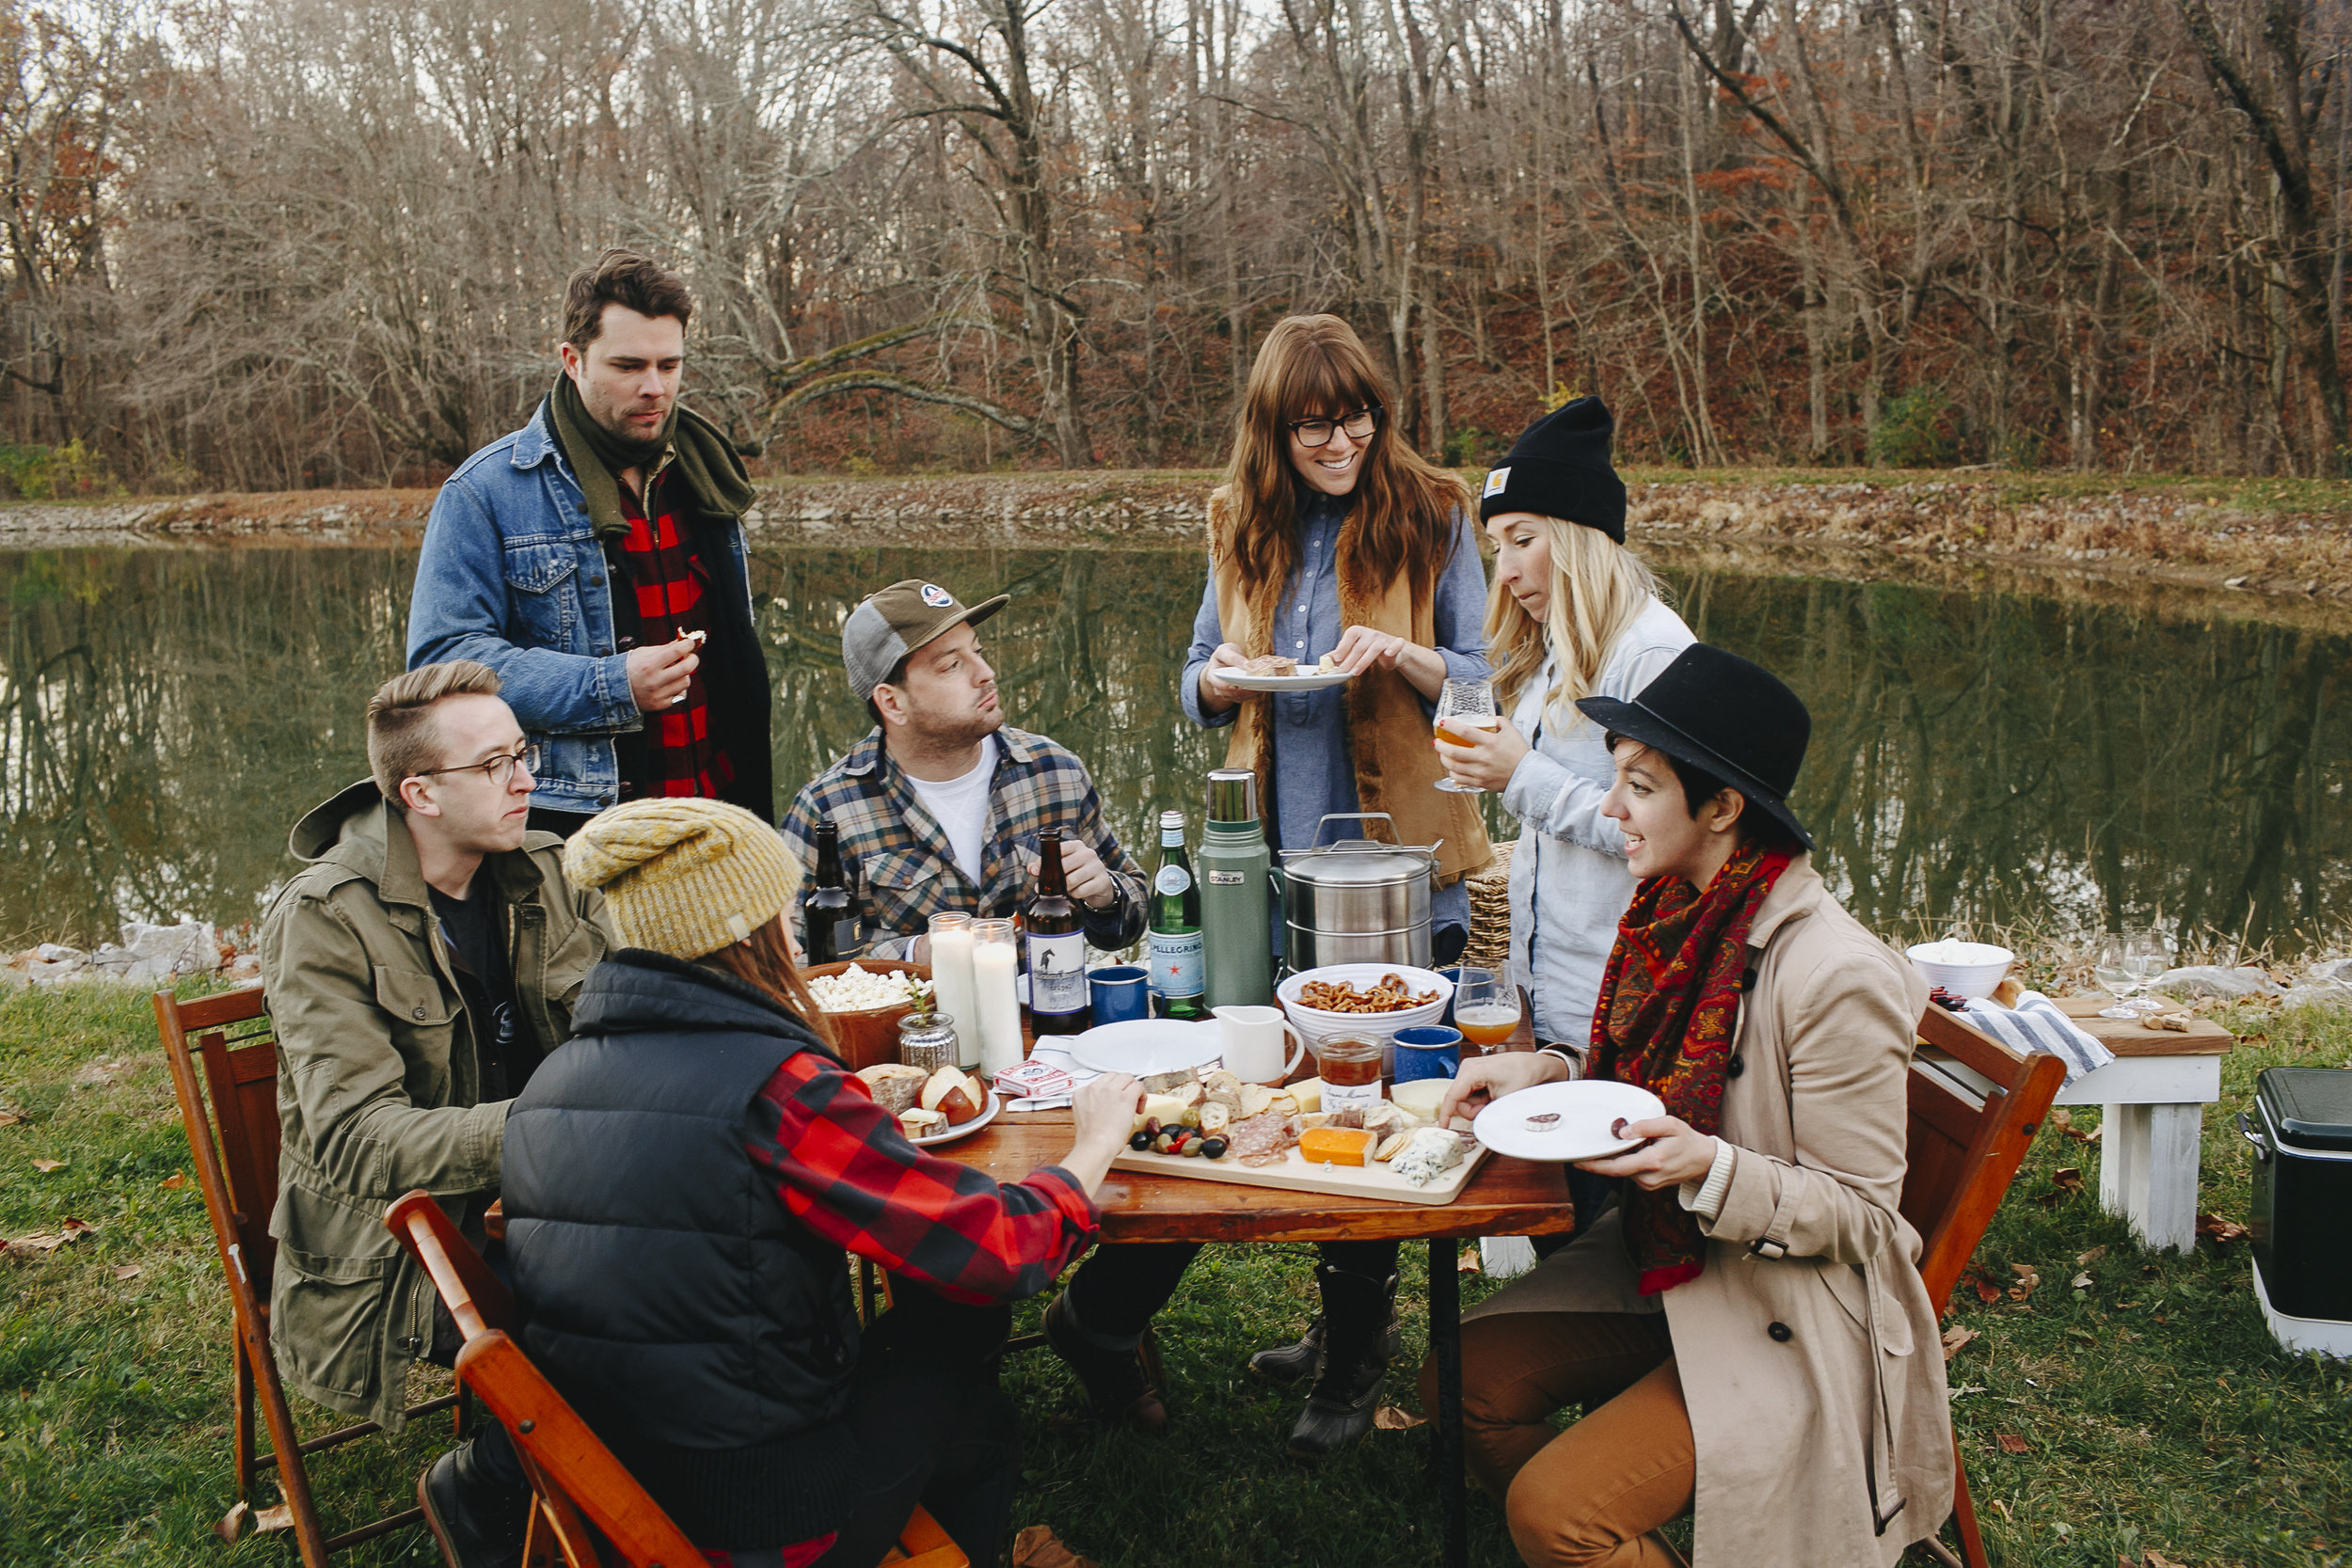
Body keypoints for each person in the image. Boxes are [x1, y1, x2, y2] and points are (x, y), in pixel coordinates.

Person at [1042, 314, 1492, 1459]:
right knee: (1265, 1086)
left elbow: (1486, 677)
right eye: (1312, 423)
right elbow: (1196, 672)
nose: (1340, 440)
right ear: (1274, 428)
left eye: (1356, 417)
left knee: (1379, 1098)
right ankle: (1314, 1313)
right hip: (1266, 865)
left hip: (1394, 866)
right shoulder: (1238, 519)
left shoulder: (1434, 510)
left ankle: (1352, 1349)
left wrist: (1397, 653)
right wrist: (1223, 677)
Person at [500, 799, 1142, 1568]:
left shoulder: (547, 1086)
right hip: (764, 1519)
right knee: (966, 1366)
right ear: (745, 931)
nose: (796, 937)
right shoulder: (777, 1087)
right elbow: (1003, 1250)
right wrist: (1094, 1143)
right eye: (785, 915)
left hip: (620, 1495)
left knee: (940, 1330)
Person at [1422, 645, 1954, 1568]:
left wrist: (1711, 1169)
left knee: (1556, 1515)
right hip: (1672, 1254)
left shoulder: (1836, 973)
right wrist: (1547, 1069)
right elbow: (1651, 1076)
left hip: (1785, 1301)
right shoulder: (1677, 908)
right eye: (1615, 778)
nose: (1608, 806)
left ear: (1721, 807)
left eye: (1638, 785)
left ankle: (1593, 1530)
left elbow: (1865, 1218)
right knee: (1457, 1380)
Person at [256, 660, 616, 1568]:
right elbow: (356, 1136)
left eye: (522, 753)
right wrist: (557, 1131)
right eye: (495, 764)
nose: (527, 779)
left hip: (559, 1192)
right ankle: (491, 1482)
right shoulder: (325, 918)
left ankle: (663, 1500)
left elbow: (626, 1019)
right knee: (630, 1319)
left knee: (720, 1262)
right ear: (418, 791)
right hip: (410, 1234)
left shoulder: (542, 870)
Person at [1433, 399, 1693, 1250]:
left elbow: (1669, 837)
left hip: (1622, 1003)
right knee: (1560, 1228)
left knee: (1610, 1246)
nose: (1503, 567)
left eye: (1523, 538)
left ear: (1579, 535)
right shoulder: (1556, 650)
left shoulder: (1650, 653)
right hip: (1554, 1005)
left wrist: (1523, 777)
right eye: (1496, 543)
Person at [407, 247, 772, 833]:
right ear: (572, 361)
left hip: (718, 812)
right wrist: (610, 685)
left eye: (669, 365)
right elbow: (440, 662)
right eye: (628, 366)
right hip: (580, 828)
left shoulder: (705, 471)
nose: (655, 388)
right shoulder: (485, 491)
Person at [777, 579, 1146, 957]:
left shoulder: (1054, 772)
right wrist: (911, 955)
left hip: (1044, 1012)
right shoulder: (827, 810)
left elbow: (1131, 917)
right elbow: (786, 961)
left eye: (978, 651)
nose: (985, 672)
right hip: (911, 1015)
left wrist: (1105, 895)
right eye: (952, 665)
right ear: (892, 703)